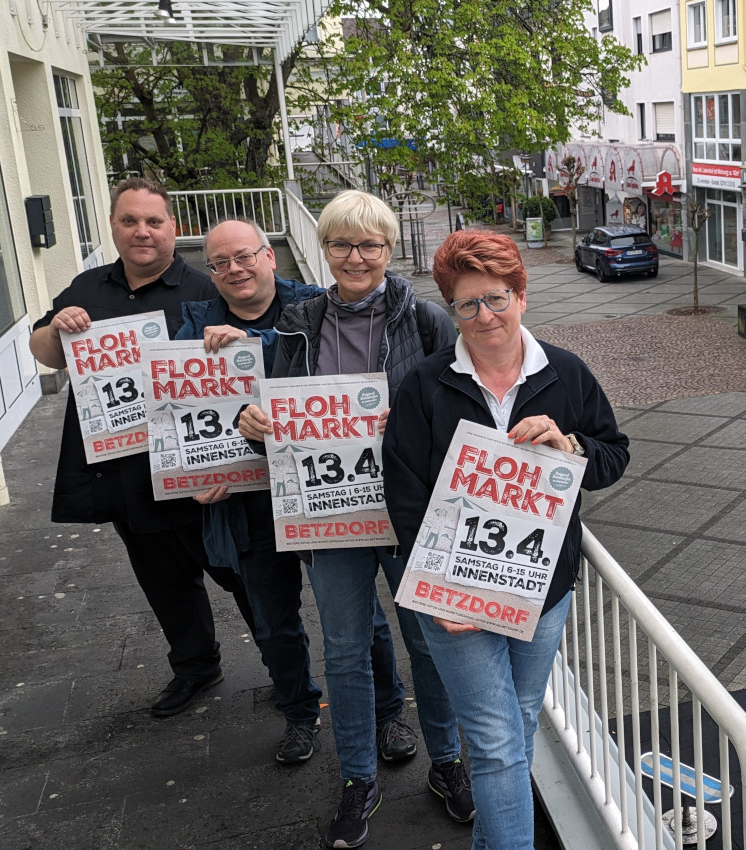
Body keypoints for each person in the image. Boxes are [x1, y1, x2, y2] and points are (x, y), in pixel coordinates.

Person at [237, 190, 472, 849]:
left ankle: (447, 762)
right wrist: (252, 424)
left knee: (427, 642)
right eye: (342, 243)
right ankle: (357, 778)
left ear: (389, 251)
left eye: (370, 244)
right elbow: (273, 419)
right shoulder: (298, 322)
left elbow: (462, 405)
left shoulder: (426, 322)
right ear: (324, 248)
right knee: (343, 648)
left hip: (408, 511)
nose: (355, 256)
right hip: (330, 516)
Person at [382, 230, 630, 850]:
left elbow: (613, 456)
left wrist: (570, 447)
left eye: (496, 299)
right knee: (495, 745)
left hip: (540, 591)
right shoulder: (424, 385)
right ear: (451, 310)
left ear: (521, 296)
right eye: (467, 305)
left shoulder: (566, 373)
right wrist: (436, 592)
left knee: (515, 727)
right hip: (454, 599)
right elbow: (405, 497)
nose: (484, 317)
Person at [175, 217, 409, 766]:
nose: (234, 269)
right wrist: (192, 473)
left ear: (269, 256)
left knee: (361, 618)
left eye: (244, 256)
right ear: (210, 272)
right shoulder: (195, 326)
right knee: (271, 617)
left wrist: (253, 341)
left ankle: (389, 710)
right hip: (247, 498)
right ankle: (300, 715)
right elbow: (179, 416)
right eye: (219, 262)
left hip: (324, 494)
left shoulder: (309, 309)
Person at [29, 177, 254, 718]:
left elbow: (247, 365)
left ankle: (285, 664)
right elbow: (45, 353)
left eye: (154, 221)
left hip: (200, 468)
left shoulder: (206, 289)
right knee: (162, 579)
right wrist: (58, 328)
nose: (142, 232)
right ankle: (196, 667)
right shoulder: (87, 287)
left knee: (241, 572)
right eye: (130, 221)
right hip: (124, 468)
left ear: (173, 228)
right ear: (113, 226)